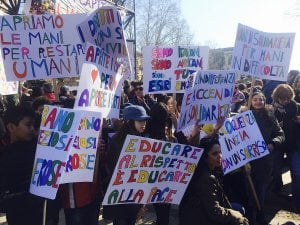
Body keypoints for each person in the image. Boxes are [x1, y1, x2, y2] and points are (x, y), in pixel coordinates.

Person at [179, 136, 249, 225]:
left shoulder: (207, 169)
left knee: (239, 208)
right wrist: (238, 218)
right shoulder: (206, 178)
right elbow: (214, 212)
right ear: (205, 157)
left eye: (220, 152)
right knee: (239, 214)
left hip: (201, 214)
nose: (220, 156)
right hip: (200, 219)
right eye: (214, 154)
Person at [103, 105, 150, 225]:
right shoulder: (117, 141)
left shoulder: (143, 140)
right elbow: (112, 167)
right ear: (129, 122)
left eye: (144, 120)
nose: (143, 123)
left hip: (134, 195)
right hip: (120, 196)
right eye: (140, 120)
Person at [0, 105, 43, 225]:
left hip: (46, 213)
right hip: (19, 216)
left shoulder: (40, 149)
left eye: (34, 125)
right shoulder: (4, 155)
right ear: (11, 127)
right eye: (28, 125)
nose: (33, 129)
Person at [249, 91, 285, 224]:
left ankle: (260, 212)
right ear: (250, 102)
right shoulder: (243, 116)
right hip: (247, 159)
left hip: (264, 159)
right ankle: (249, 213)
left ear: (264, 101)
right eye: (255, 99)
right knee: (248, 187)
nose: (258, 102)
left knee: (261, 187)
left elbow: (280, 134)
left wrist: (273, 143)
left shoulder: (270, 115)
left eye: (260, 99)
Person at [271, 84, 300, 211]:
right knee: (276, 170)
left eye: (288, 98)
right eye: (283, 99)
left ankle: (296, 201)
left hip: (293, 144)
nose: (286, 101)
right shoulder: (271, 108)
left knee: (296, 172)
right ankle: (277, 193)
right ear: (277, 97)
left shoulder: (295, 107)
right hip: (278, 144)